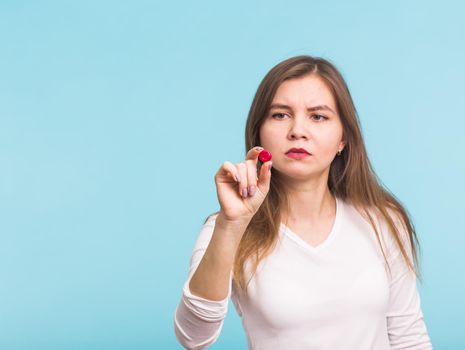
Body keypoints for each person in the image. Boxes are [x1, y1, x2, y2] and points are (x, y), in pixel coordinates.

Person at [174, 55, 433, 349]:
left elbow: (409, 337)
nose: (298, 130)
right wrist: (230, 225)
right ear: (258, 132)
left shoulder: (382, 220)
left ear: (343, 139)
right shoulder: (226, 227)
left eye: (318, 116)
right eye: (280, 115)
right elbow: (193, 337)